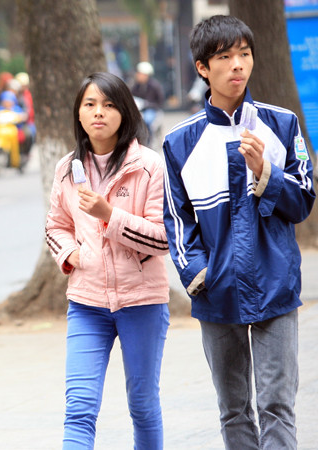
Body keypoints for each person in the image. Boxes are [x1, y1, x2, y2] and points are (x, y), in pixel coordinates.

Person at [163, 15, 315, 449]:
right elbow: (176, 218)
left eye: (244, 54)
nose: (237, 65)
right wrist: (198, 273)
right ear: (202, 67)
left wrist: (266, 171)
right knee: (233, 409)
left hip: (275, 283)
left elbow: (304, 200)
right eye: (225, 57)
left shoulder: (281, 123)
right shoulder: (180, 142)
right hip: (216, 290)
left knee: (278, 405)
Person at [45, 72, 170, 449]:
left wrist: (109, 215)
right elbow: (56, 225)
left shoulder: (149, 166)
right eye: (90, 104)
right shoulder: (67, 168)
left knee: (143, 405)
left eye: (109, 104)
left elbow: (163, 237)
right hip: (86, 303)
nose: (99, 112)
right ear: (79, 113)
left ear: (125, 112)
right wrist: (71, 253)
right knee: (79, 408)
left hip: (142, 302)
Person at [130, 61, 164, 145]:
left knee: (147, 120)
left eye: (139, 73)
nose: (137, 75)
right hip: (139, 110)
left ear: (146, 75)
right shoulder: (136, 85)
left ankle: (148, 141)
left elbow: (160, 102)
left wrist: (147, 104)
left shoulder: (155, 86)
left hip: (152, 110)